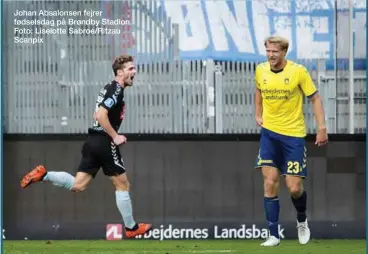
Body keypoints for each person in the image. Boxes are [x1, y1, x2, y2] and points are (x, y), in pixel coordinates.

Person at [20, 54, 152, 239]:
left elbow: (96, 114)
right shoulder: (116, 90)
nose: (134, 71)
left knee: (78, 185)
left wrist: (104, 124)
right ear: (120, 72)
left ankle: (44, 175)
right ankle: (131, 228)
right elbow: (100, 115)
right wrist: (115, 136)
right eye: (131, 69)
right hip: (105, 141)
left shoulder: (108, 88)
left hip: (93, 140)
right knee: (122, 184)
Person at [254, 36, 328, 247]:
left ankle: (302, 220)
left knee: (294, 187)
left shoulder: (298, 72)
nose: (270, 55)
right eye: (268, 51)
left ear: (284, 52)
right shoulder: (260, 70)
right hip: (269, 134)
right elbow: (258, 90)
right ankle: (273, 234)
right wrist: (257, 112)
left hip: (293, 136)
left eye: (274, 52)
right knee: (269, 181)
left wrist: (321, 128)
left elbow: (314, 98)